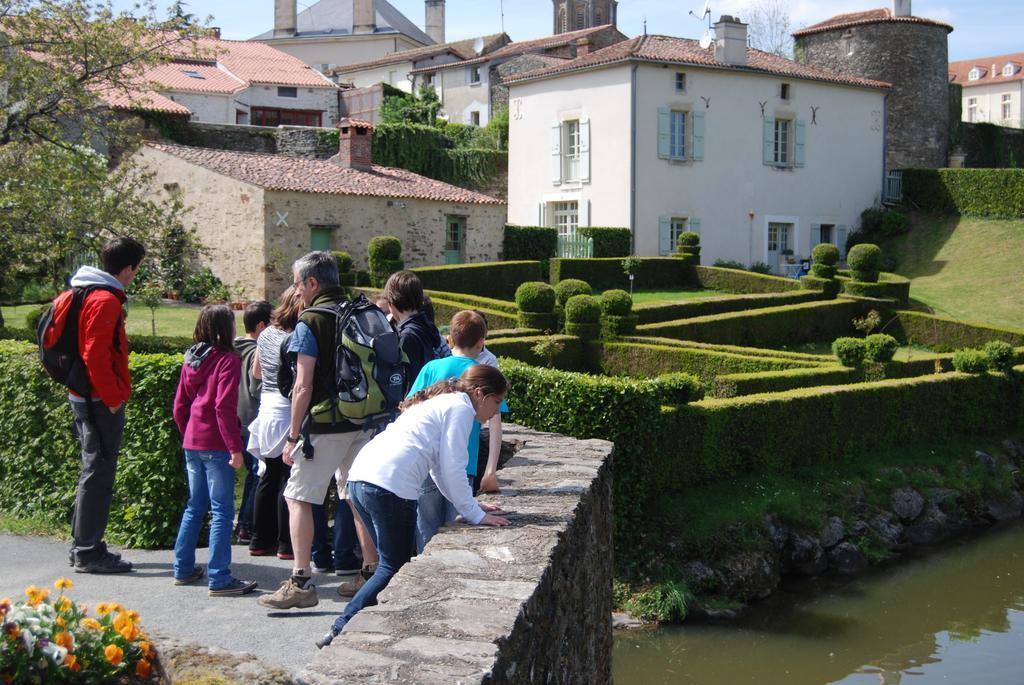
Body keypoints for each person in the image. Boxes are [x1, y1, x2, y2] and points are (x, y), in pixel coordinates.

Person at [317, 364, 512, 648]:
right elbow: (454, 466)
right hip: (389, 486)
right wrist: (475, 513)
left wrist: (468, 507)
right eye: (496, 402)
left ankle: (361, 629)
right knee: (392, 566)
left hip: (362, 478)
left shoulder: (442, 403)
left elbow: (439, 471)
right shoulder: (460, 409)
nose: (495, 412)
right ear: (480, 394)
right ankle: (340, 629)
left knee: (388, 563)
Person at [259, 252, 376, 610]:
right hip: (365, 420)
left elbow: (302, 386)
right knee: (354, 496)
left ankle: (301, 582)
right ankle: (371, 573)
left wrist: (292, 437)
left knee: (298, 498)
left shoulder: (311, 320)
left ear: (312, 283)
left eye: (297, 283)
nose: (296, 290)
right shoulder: (362, 310)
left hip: (326, 425)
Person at [67, 236, 145, 574]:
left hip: (84, 393)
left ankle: (84, 546)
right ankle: (87, 552)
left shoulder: (85, 290)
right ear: (128, 268)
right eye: (136, 269)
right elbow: (95, 354)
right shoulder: (105, 300)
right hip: (98, 399)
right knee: (98, 474)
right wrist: (112, 400)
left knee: (92, 471)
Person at [171, 305, 257, 596]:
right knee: (221, 512)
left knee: (195, 506)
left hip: (193, 440)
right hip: (216, 443)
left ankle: (182, 569)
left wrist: (189, 434)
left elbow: (179, 406)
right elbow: (222, 407)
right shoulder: (227, 360)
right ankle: (219, 578)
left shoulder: (192, 358)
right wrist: (235, 448)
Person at [410, 310, 507, 552]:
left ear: (450, 340)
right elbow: (496, 421)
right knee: (458, 533)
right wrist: (491, 470)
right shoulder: (482, 375)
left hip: (427, 463)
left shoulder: (432, 367)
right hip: (465, 463)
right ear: (481, 341)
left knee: (427, 532)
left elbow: (409, 406)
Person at [247, 289, 302, 558]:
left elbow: (256, 371)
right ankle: (285, 544)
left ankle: (260, 539)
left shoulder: (266, 333)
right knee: (287, 478)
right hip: (284, 408)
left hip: (266, 407)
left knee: (268, 475)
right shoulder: (293, 338)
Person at [233, 301, 272, 544]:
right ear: (261, 326)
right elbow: (257, 387)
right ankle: (247, 525)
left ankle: (243, 524)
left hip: (232, 420)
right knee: (258, 474)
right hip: (251, 419)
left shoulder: (230, 348)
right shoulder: (254, 352)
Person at [384, 271, 442, 383]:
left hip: (416, 397)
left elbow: (409, 379)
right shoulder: (425, 325)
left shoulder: (407, 336)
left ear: (392, 302)